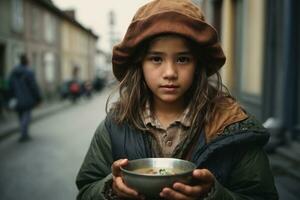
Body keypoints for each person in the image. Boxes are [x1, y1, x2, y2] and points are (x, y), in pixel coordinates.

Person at [76, 0, 278, 199]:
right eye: (156, 58)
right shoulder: (115, 127)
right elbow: (86, 189)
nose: (170, 73)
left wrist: (213, 195)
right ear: (140, 64)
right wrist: (111, 188)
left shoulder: (232, 127)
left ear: (198, 65)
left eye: (183, 59)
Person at [8, 54, 41, 142]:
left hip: (17, 99)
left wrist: (10, 97)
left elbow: (10, 86)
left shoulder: (13, 72)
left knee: (20, 116)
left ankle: (24, 133)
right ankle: (23, 134)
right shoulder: (29, 72)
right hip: (27, 99)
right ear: (27, 62)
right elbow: (34, 86)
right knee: (26, 117)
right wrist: (38, 98)